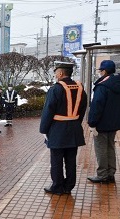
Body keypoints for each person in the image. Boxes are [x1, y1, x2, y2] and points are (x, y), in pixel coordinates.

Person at [40, 61, 87, 195]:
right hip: (74, 128)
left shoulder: (56, 89)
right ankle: (69, 186)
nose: (55, 75)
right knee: (71, 160)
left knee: (56, 160)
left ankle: (57, 186)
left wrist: (44, 129)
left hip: (57, 130)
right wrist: (75, 122)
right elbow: (83, 108)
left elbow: (48, 111)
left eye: (56, 73)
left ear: (60, 73)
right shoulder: (80, 88)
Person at [87, 60, 120, 183]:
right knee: (110, 147)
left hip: (102, 123)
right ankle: (111, 173)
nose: (100, 73)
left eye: (100, 71)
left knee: (101, 148)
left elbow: (97, 106)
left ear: (104, 71)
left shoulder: (102, 86)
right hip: (115, 123)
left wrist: (92, 123)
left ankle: (102, 175)